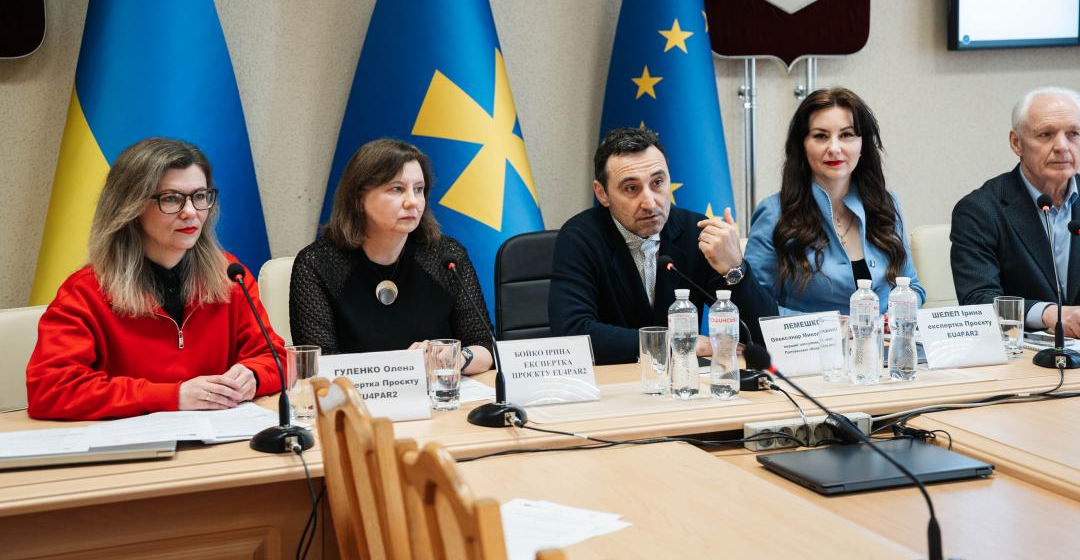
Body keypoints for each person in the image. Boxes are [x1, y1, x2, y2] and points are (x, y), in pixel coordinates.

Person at [26, 138, 284, 420]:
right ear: (131, 206)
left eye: (200, 196)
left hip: (219, 438)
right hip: (130, 443)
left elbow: (278, 358)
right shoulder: (85, 291)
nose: (191, 212)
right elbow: (50, 389)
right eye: (171, 198)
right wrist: (173, 396)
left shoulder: (230, 275)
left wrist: (254, 375)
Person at [549, 127, 777, 365]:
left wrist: (735, 269)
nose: (649, 203)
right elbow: (572, 332)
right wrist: (676, 343)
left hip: (684, 380)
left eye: (657, 182)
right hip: (612, 380)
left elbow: (765, 334)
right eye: (631, 188)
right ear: (602, 193)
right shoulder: (580, 237)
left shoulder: (696, 232)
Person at [951, 87, 1080, 339]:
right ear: (1016, 143)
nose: (1062, 146)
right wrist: (1047, 314)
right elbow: (977, 300)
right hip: (1022, 352)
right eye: (1046, 134)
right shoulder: (980, 210)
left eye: (1073, 134)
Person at [289, 139, 494, 374]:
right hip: (357, 396)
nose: (412, 202)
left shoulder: (446, 257)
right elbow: (317, 363)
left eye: (419, 189)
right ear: (358, 198)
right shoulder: (318, 264)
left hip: (438, 394)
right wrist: (402, 368)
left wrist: (456, 357)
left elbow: (485, 346)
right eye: (397, 189)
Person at [745, 87, 924, 316]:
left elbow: (912, 287)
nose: (834, 148)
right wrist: (835, 327)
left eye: (847, 135)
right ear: (802, 146)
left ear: (862, 145)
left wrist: (894, 315)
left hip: (884, 339)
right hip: (809, 339)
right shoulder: (774, 213)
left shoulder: (887, 204)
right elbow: (755, 306)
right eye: (821, 136)